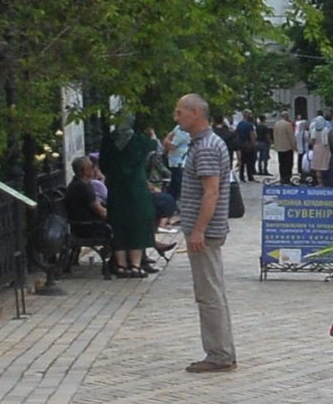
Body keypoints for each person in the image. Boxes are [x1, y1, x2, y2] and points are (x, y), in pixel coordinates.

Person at [175, 94, 237, 373]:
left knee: (208, 293)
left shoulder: (208, 147)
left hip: (206, 232)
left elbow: (210, 192)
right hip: (204, 230)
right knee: (212, 290)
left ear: (196, 112)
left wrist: (198, 229)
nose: (176, 119)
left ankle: (219, 353)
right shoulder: (203, 144)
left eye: (180, 113)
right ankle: (221, 350)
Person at [100, 114, 162, 278]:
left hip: (116, 189)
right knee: (138, 225)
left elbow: (103, 164)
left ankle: (121, 265)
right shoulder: (139, 140)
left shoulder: (108, 140)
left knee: (118, 225)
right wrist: (153, 136)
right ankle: (135, 266)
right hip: (137, 189)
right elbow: (154, 147)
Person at [271, 111, 298, 185]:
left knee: (281, 163)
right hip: (287, 147)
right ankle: (287, 178)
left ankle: (282, 177)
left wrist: (276, 145)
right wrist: (294, 146)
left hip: (279, 147)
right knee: (288, 164)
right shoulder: (288, 124)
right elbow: (291, 136)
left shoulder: (276, 124)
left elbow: (274, 136)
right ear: (286, 116)